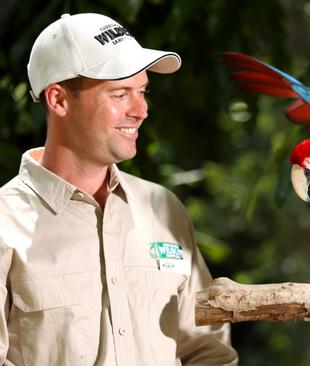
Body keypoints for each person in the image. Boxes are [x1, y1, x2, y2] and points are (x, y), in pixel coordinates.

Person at [0, 13, 237, 365]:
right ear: (59, 100)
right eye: (120, 93)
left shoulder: (163, 209)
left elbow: (208, 352)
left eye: (142, 91)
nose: (141, 110)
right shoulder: (5, 222)